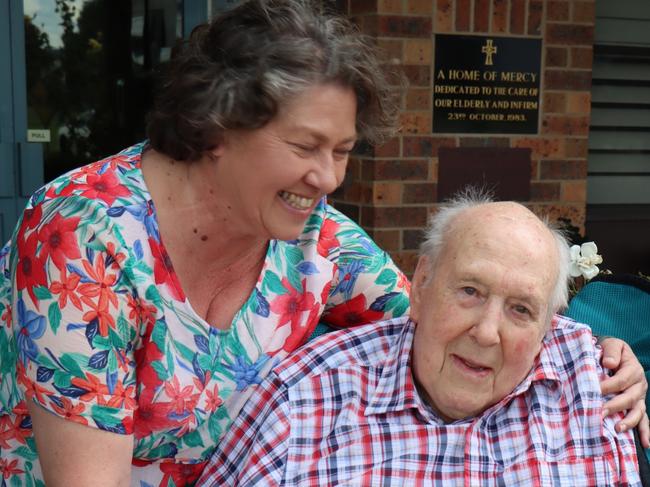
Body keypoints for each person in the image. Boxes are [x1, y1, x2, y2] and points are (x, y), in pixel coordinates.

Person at [0, 1, 645, 485]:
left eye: (341, 151)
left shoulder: (314, 238)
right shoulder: (82, 237)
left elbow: (443, 318)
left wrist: (598, 359)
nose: (328, 177)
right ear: (216, 123)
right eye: (306, 146)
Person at [198, 193, 644, 486]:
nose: (487, 333)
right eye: (470, 291)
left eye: (521, 310)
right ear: (422, 284)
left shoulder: (594, 384)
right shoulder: (302, 401)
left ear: (548, 326)